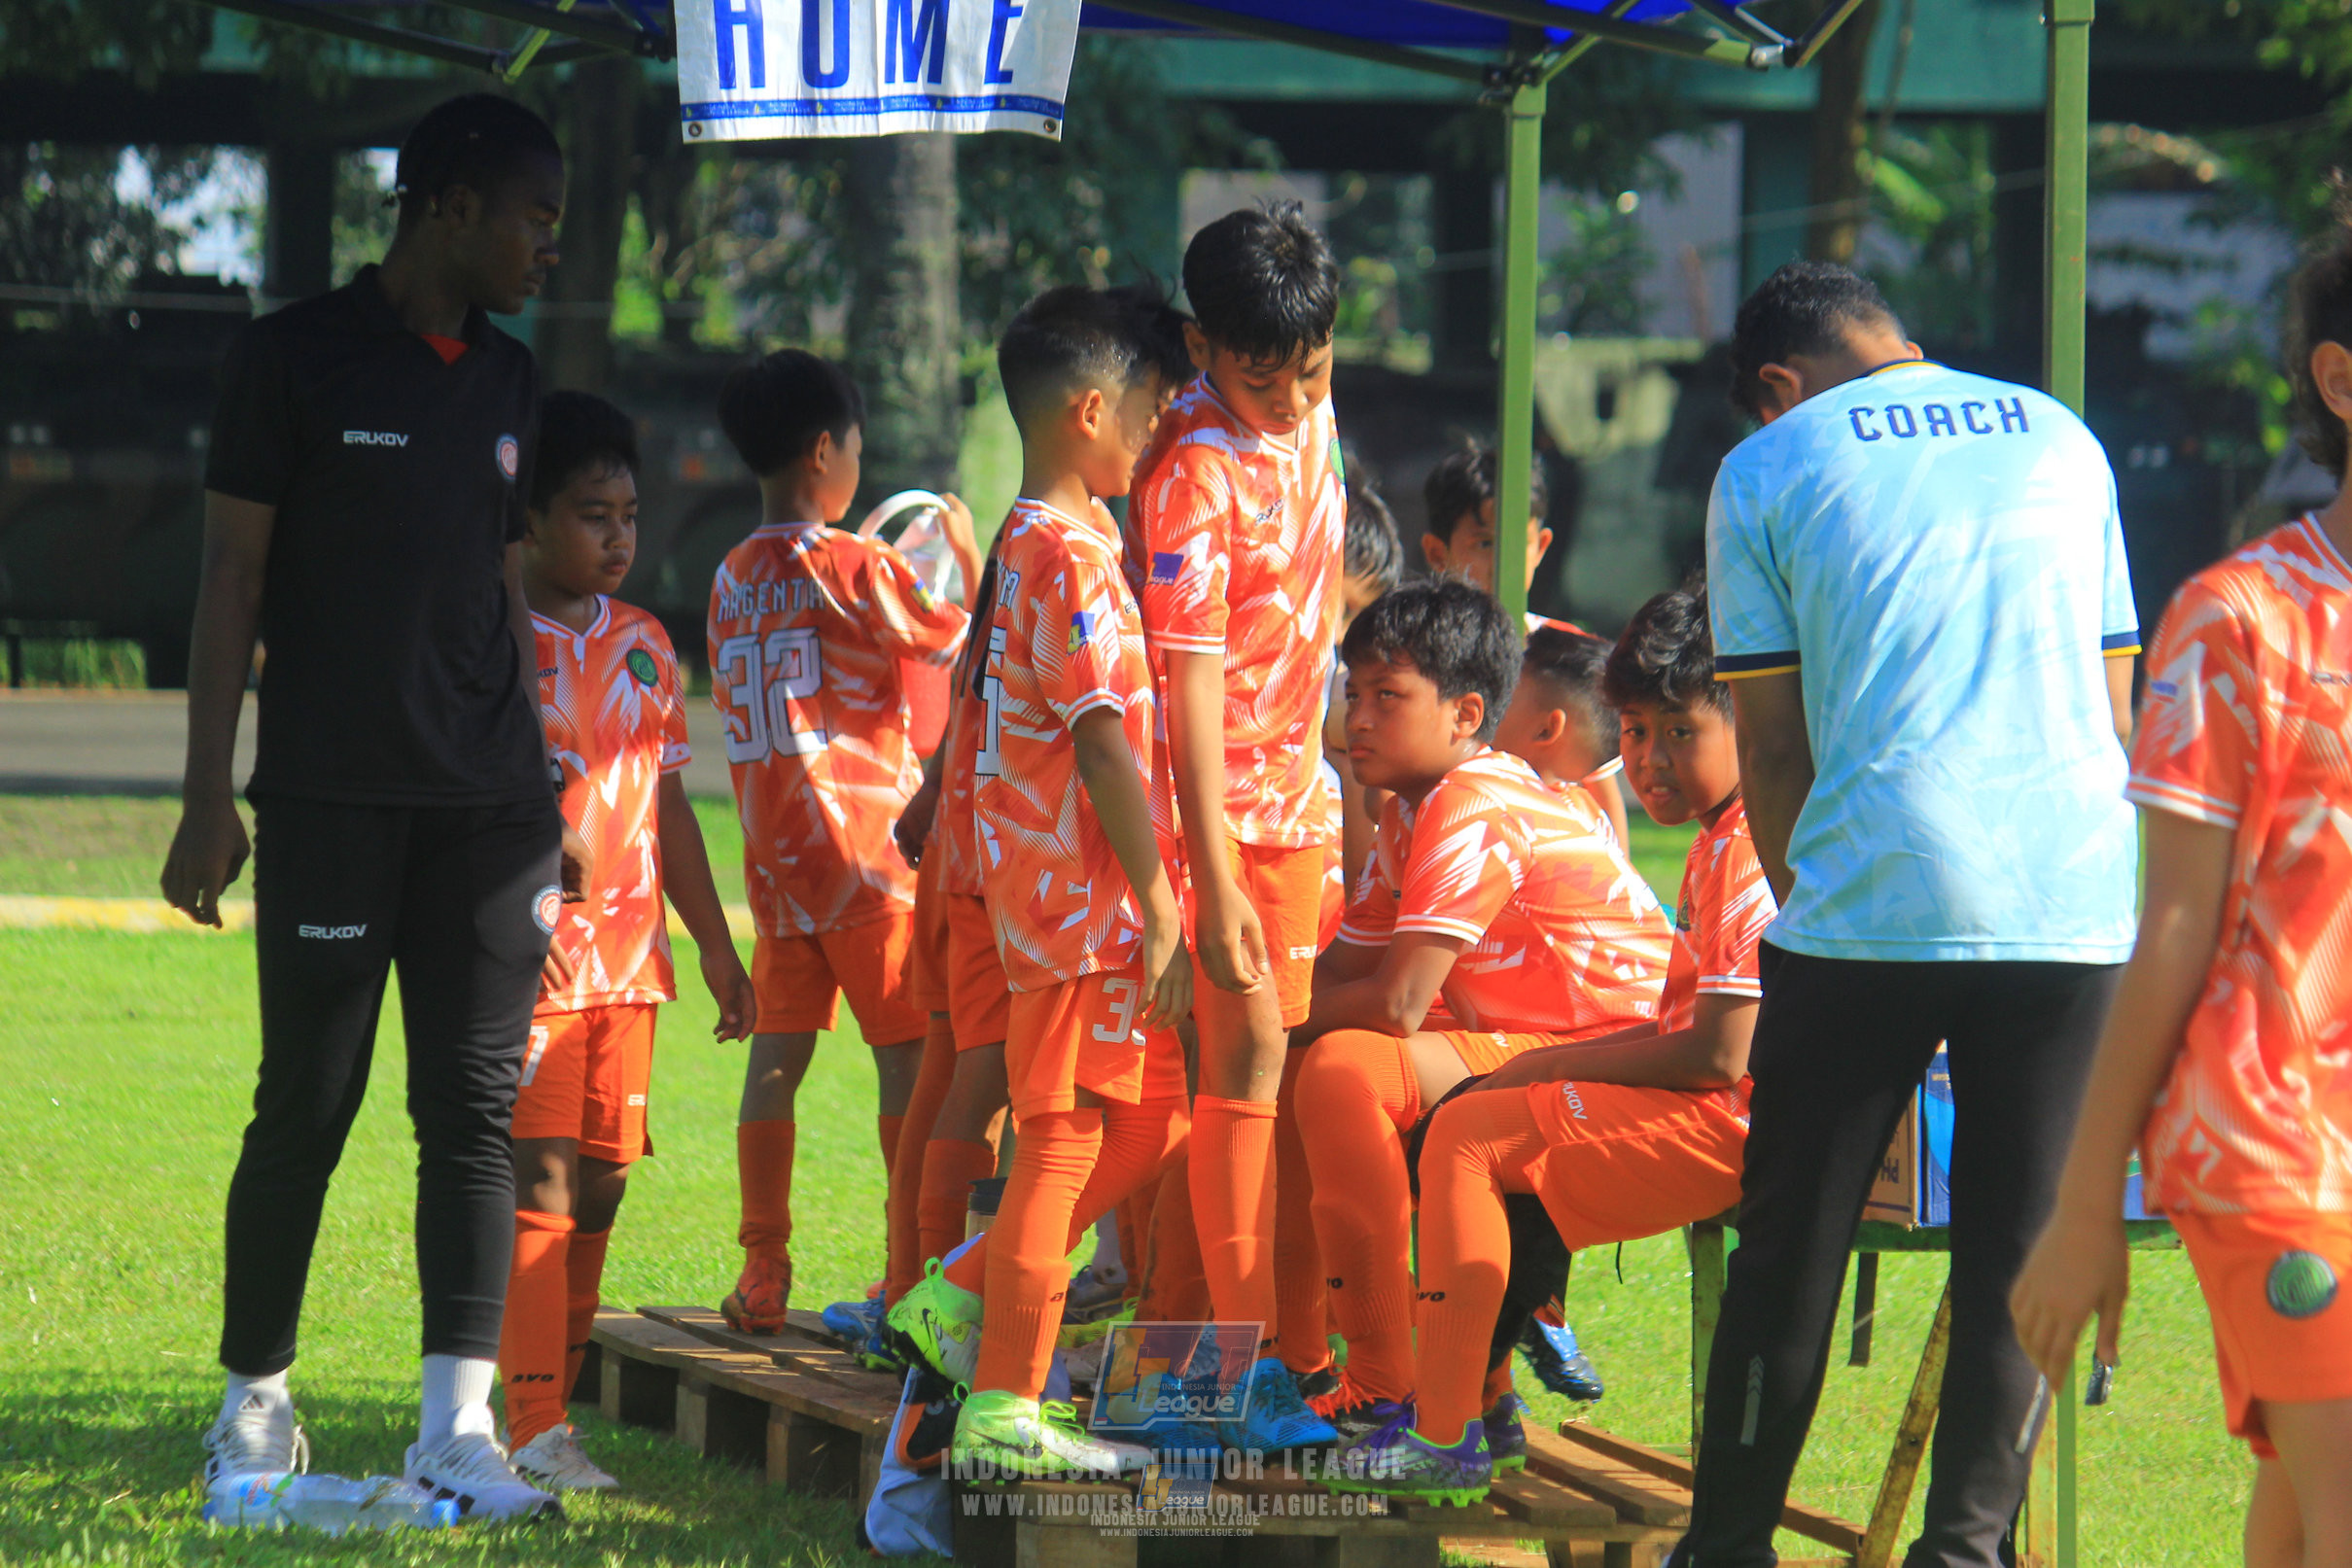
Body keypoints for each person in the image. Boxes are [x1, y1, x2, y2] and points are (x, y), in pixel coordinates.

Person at [1670, 261, 2140, 1568]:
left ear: (1774, 384)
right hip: (2070, 900)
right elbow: (2112, 710)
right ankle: (1963, 1551)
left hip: (1874, 897)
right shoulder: (2059, 434)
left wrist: (1814, 900)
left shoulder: (1765, 467)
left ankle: (1725, 1548)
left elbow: (1768, 746)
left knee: (1790, 1249)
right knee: (2016, 1252)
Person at [163, 93, 586, 1521]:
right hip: (332, 796)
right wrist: (205, 793)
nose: (547, 245)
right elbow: (230, 581)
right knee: (308, 1103)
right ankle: (253, 1414)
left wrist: (548, 778)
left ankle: (455, 1428)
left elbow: (506, 590)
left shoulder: (514, 378)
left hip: (488, 810)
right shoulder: (287, 358)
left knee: (471, 1111)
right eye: (533, 215)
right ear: (447, 206)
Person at [2011, 224, 2352, 1568]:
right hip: (2269, 1143)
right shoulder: (2238, 621)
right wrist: (2085, 1200)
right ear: (2338, 378)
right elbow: (2166, 926)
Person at [1327, 583, 1771, 1502]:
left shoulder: (1746, 846)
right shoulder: (1718, 838)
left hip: (1736, 1125)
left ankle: (1426, 1417)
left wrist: (1552, 1061)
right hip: (1700, 1094)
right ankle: (1454, 1407)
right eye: (1636, 733)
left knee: (1469, 1130)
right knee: (1471, 1120)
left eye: (1677, 733)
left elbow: (1720, 1058)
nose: (1645, 762)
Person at [886, 285, 1191, 1477]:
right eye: (1152, 408)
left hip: (1053, 902)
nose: (1159, 431)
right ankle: (1008, 1397)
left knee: (1152, 1110)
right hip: (1080, 906)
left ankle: (963, 1290)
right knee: (1063, 1141)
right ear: (1089, 410)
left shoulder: (1027, 541)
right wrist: (1162, 901)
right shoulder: (1064, 552)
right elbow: (1103, 736)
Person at [1293, 579, 1671, 1433]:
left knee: (1343, 1069)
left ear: (1466, 714)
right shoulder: (1410, 810)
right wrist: (1267, 1008)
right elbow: (1341, 969)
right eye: (1352, 693)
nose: (1355, 717)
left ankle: (1383, 1381)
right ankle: (1331, 1360)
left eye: (1387, 696)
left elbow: (1394, 1002)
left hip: (1622, 1056)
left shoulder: (1473, 799)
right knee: (1301, 1055)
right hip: (1540, 1043)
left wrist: (1264, 1014)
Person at [495, 392, 756, 1489]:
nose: (617, 536)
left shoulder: (648, 646)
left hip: (630, 969)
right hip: (536, 964)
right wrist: (512, 905)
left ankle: (553, 1386)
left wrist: (714, 942)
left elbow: (666, 808)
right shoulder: (494, 633)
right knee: (541, 1180)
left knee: (600, 1183)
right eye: (592, 513)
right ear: (533, 516)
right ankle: (531, 1422)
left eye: (630, 514)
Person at [1130, 202, 1347, 1448]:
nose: (1288, 395)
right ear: (1201, 341)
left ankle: (1186, 1373)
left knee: (1241, 1083)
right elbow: (1187, 681)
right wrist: (1208, 883)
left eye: (1309, 368)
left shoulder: (1313, 409)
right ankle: (1231, 1368)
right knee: (1241, 1072)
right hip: (1206, 825)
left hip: (1297, 811)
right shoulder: (1191, 463)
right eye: (1259, 373)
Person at [707, 350, 979, 1334]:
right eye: (858, 444)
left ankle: (762, 1264)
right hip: (870, 859)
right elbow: (963, 632)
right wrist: (961, 544)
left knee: (774, 1061)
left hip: (776, 870)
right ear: (827, 450)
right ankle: (906, 1271)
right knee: (904, 1060)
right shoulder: (855, 565)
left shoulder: (730, 576)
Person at [1493, 624, 1632, 849]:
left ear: (1546, 730)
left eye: (1508, 692)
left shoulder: (1499, 818)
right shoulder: (1591, 819)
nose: (1491, 700)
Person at [1421, 440, 1565, 630]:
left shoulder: (1565, 652)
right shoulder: (1409, 653)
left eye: (1520, 544)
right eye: (1485, 544)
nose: (1503, 564)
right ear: (1437, 554)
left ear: (1541, 547)